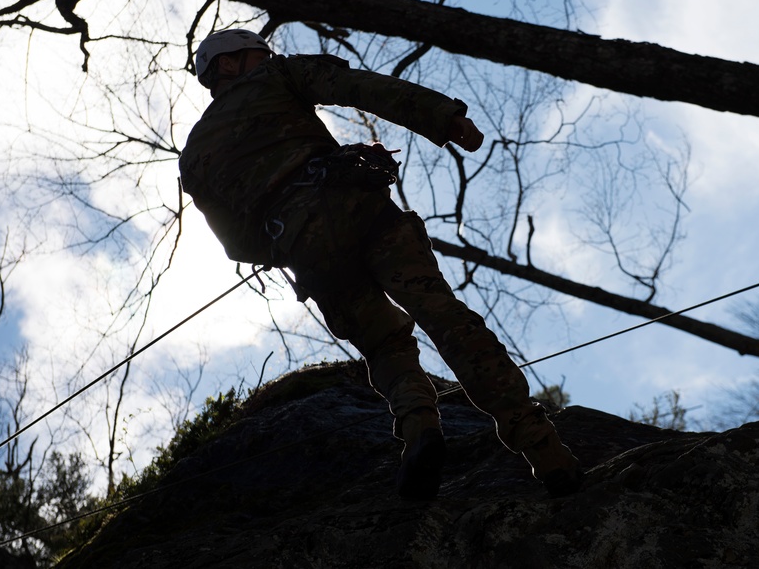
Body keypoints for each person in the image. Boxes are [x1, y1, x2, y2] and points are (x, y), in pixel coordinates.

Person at [180, 29, 582, 499]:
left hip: (304, 248)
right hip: (355, 205)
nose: (265, 58)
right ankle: (545, 451)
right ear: (228, 64)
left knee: (384, 345)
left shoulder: (195, 156)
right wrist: (441, 116)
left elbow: (235, 244)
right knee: (442, 315)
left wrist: (288, 240)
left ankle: (418, 430)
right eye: (256, 54)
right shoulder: (280, 75)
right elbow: (360, 88)